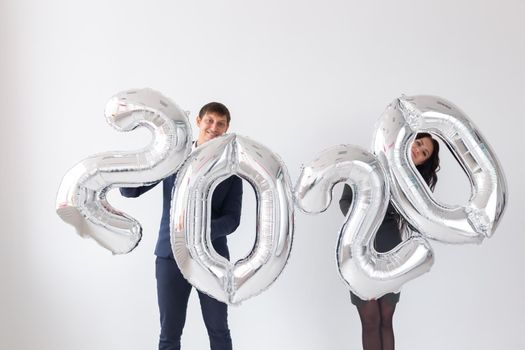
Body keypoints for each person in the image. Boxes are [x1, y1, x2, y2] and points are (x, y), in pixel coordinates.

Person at [120, 102, 243, 350]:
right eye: (209, 121)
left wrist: (199, 232)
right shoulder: (174, 158)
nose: (214, 127)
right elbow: (129, 191)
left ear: (227, 128)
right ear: (198, 121)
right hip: (170, 256)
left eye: (220, 124)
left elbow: (232, 220)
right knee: (170, 333)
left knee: (219, 330)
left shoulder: (233, 171)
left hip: (213, 259)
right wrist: (139, 163)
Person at [339, 133, 440, 350]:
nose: (418, 150)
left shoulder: (413, 185)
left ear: (423, 162)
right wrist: (364, 219)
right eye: (419, 143)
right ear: (410, 139)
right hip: (360, 250)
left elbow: (418, 220)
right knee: (370, 321)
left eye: (424, 153)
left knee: (386, 321)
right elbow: (345, 201)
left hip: (392, 249)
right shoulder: (370, 164)